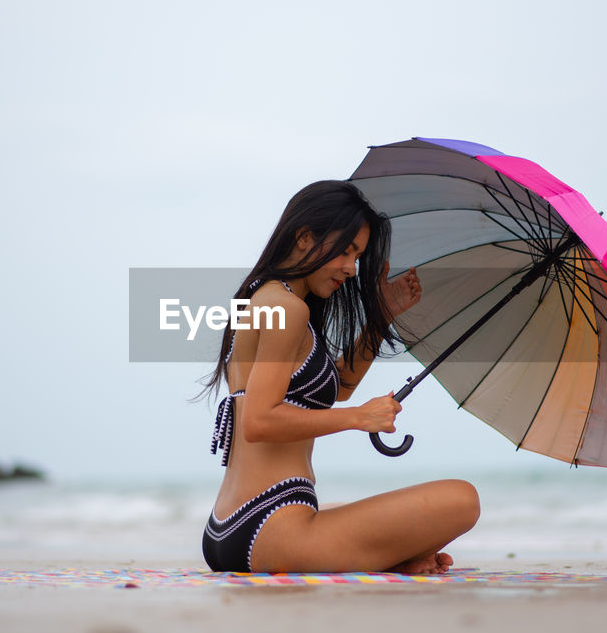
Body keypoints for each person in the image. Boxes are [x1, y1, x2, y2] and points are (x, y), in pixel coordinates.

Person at [200, 180, 479, 574]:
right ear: (304, 238)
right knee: (463, 499)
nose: (351, 268)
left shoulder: (269, 299)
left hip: (232, 529)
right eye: (346, 251)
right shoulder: (287, 309)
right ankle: (398, 559)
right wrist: (359, 418)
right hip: (270, 527)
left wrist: (381, 315)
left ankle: (400, 559)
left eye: (358, 255)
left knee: (354, 512)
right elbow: (259, 421)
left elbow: (336, 388)